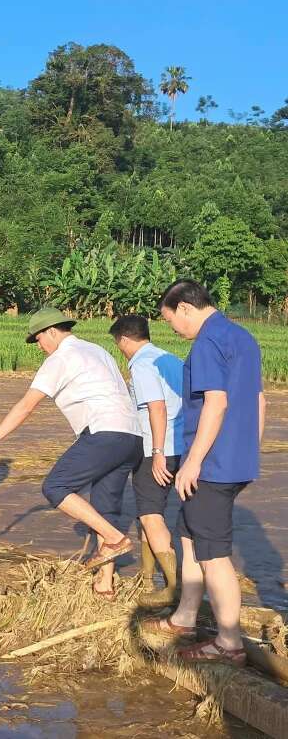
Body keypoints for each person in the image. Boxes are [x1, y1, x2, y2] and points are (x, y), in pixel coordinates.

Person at [0, 307, 143, 599]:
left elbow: (27, 405)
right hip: (132, 436)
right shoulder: (97, 350)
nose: (39, 347)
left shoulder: (60, 358)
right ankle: (105, 584)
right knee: (105, 506)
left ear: (52, 332)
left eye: (38, 340)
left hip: (103, 431)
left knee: (55, 486)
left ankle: (115, 538)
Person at [143, 280, 265, 667]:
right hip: (234, 460)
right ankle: (185, 617)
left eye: (171, 321)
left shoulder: (208, 342)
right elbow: (260, 400)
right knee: (189, 533)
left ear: (184, 308)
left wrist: (194, 461)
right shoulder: (243, 337)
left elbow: (216, 402)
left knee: (214, 553)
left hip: (212, 464)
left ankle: (228, 643)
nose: (174, 330)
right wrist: (248, 450)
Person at [110, 315, 184, 607]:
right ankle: (145, 575)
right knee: (146, 511)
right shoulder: (170, 359)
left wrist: (156, 453)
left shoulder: (142, 365)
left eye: (119, 345)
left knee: (151, 514)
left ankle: (172, 588)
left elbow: (157, 408)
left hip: (159, 447)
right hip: (183, 445)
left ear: (125, 340)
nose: (120, 350)